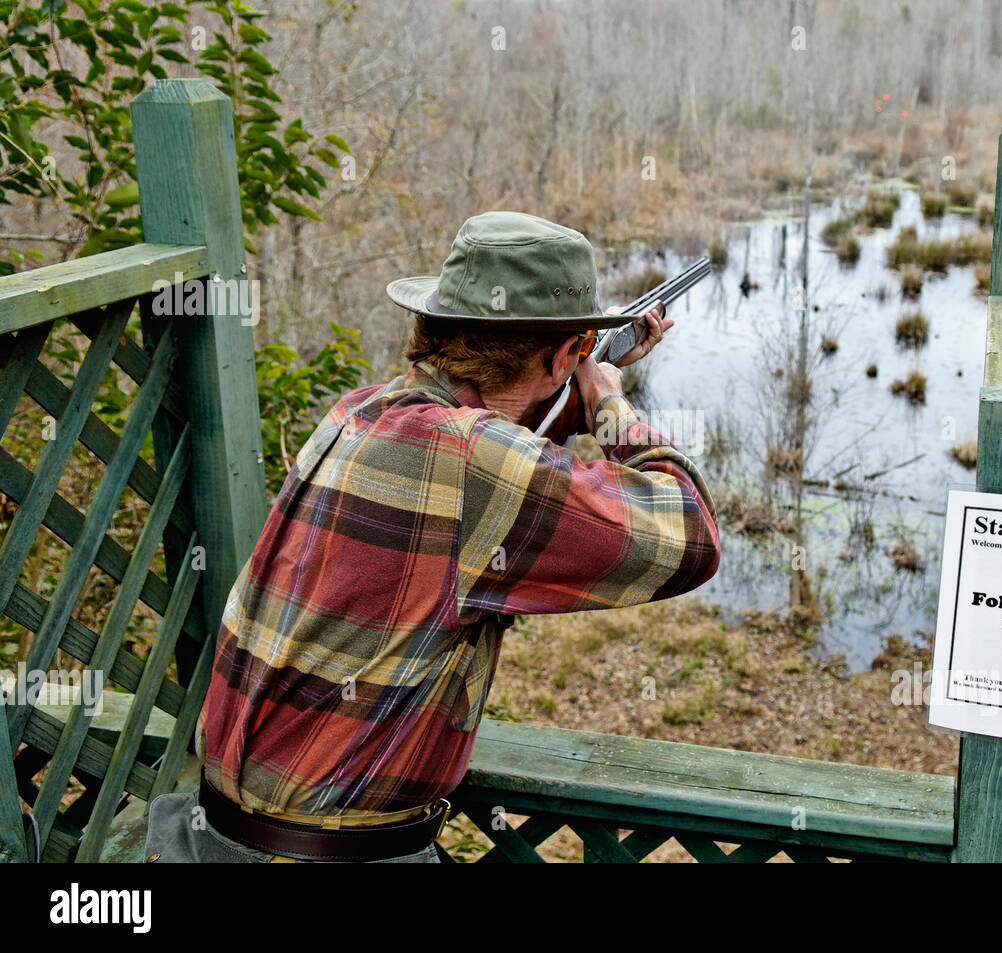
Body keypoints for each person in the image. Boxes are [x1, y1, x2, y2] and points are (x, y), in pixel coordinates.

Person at [142, 210, 721, 862]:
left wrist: (574, 366)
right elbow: (691, 535)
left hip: (209, 833)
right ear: (563, 354)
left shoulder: (362, 410)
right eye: (575, 351)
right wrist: (610, 398)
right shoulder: (475, 463)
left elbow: (498, 470)